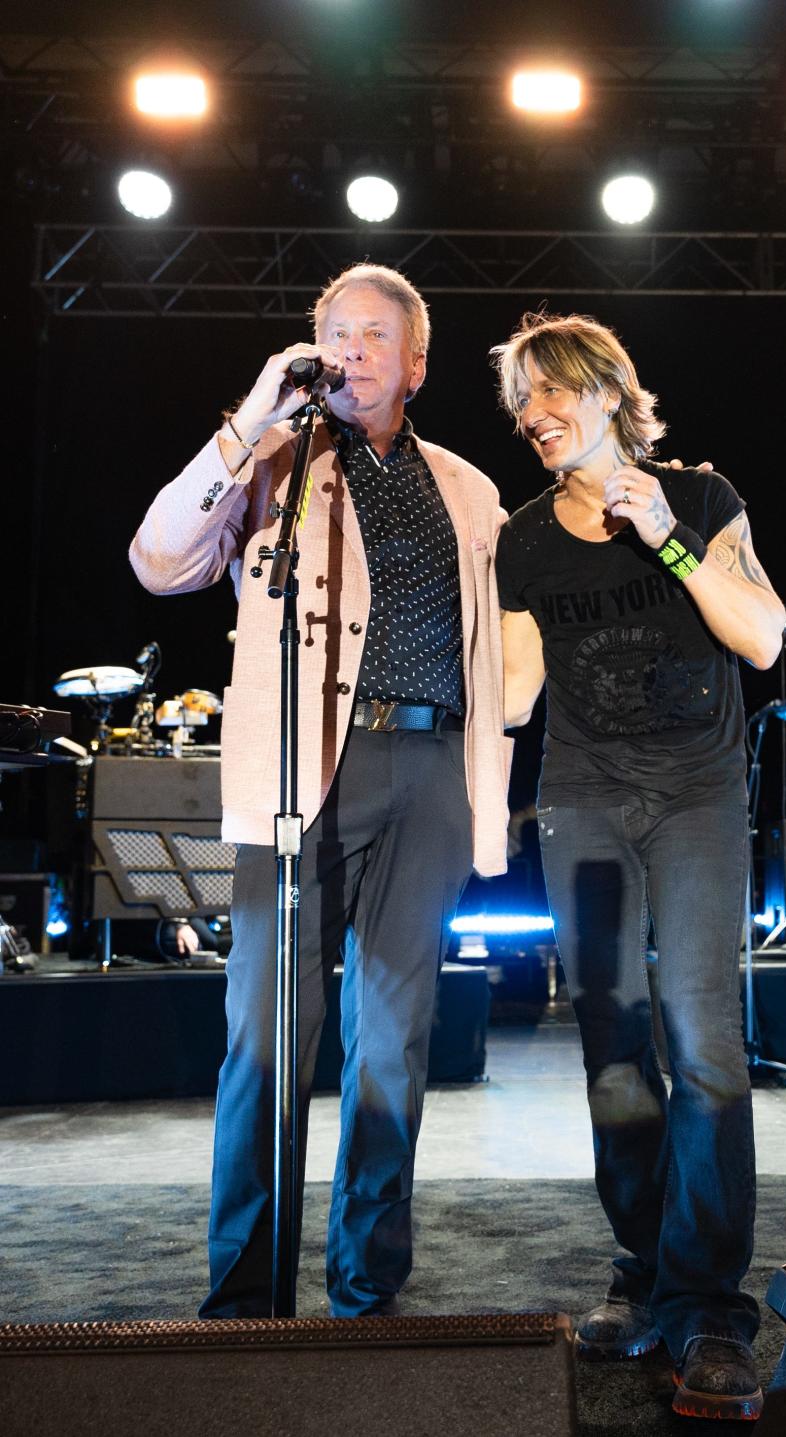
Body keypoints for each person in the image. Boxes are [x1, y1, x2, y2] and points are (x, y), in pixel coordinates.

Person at [130, 263, 511, 1318]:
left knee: (395, 1043)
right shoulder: (274, 461)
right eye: (334, 332)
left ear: (416, 364)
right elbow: (159, 560)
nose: (349, 350)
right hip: (303, 776)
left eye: (373, 336)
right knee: (266, 1037)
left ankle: (367, 1292)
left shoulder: (470, 489)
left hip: (431, 774)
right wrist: (252, 414)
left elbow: (502, 643)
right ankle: (246, 1298)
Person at [492, 312, 785, 1421]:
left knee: (705, 1044)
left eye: (550, 391)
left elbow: (761, 636)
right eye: (520, 401)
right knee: (614, 1052)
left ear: (609, 391)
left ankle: (709, 1302)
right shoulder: (523, 538)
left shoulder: (701, 501)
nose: (533, 415)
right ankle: (644, 1271)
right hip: (583, 800)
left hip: (699, 799)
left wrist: (663, 533)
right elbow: (517, 695)